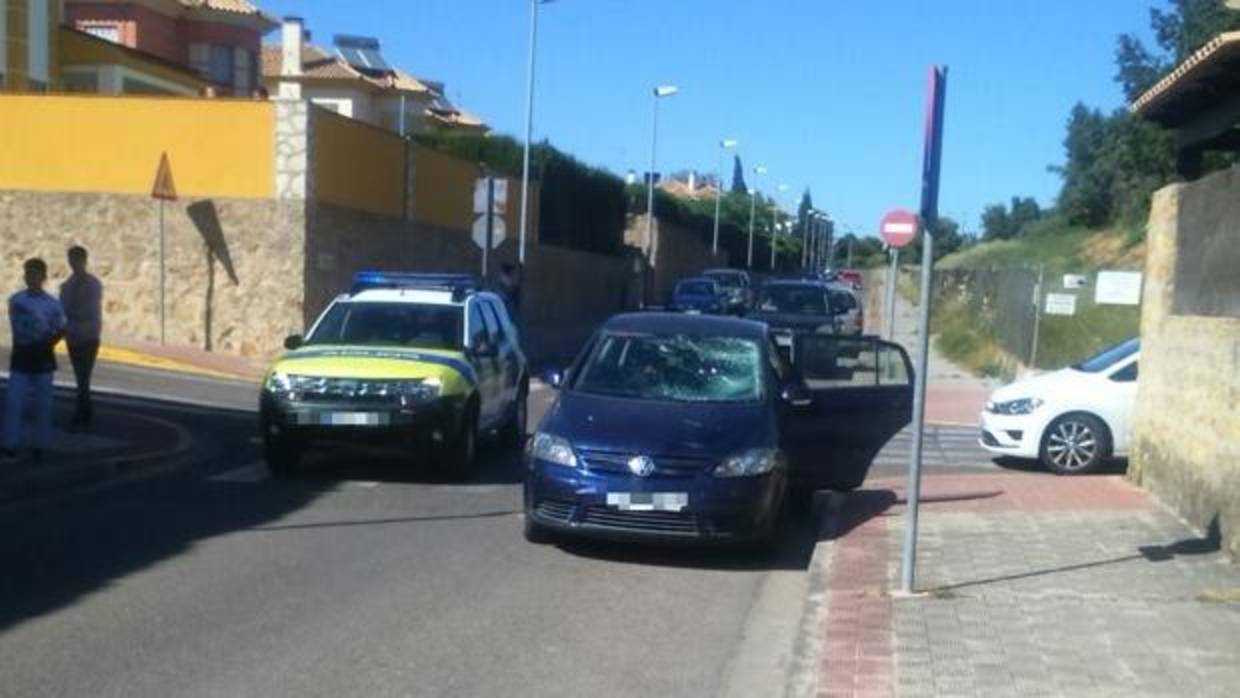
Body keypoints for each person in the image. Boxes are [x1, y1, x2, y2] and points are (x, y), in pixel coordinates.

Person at [1, 259, 67, 465]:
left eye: (36, 274)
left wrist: (48, 343)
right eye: (28, 273)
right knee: (14, 402)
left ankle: (40, 445)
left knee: (43, 404)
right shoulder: (16, 300)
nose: (32, 278)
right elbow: (20, 324)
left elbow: (62, 327)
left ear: (43, 277)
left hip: (43, 359)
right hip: (21, 357)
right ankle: (9, 444)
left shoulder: (53, 304)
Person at [60, 246, 103, 429]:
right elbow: (62, 307)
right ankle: (85, 411)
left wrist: (72, 312)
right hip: (73, 335)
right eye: (71, 259)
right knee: (80, 375)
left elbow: (90, 309)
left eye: (76, 259)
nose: (73, 263)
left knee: (83, 375)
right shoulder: (67, 284)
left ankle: (81, 413)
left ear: (84, 260)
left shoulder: (93, 283)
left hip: (89, 334)